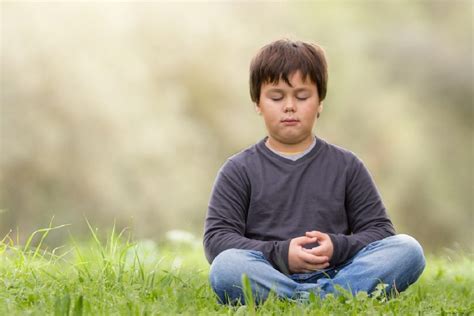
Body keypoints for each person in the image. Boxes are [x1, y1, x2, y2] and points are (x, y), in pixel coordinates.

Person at [203, 39, 425, 305]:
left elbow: (379, 231)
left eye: (302, 96)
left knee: (408, 250)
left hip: (338, 273)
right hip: (269, 272)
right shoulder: (238, 169)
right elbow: (217, 239)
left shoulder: (347, 165)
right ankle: (329, 300)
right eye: (276, 97)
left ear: (320, 101)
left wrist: (336, 246)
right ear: (258, 103)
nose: (289, 106)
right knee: (226, 267)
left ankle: (306, 299)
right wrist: (281, 254)